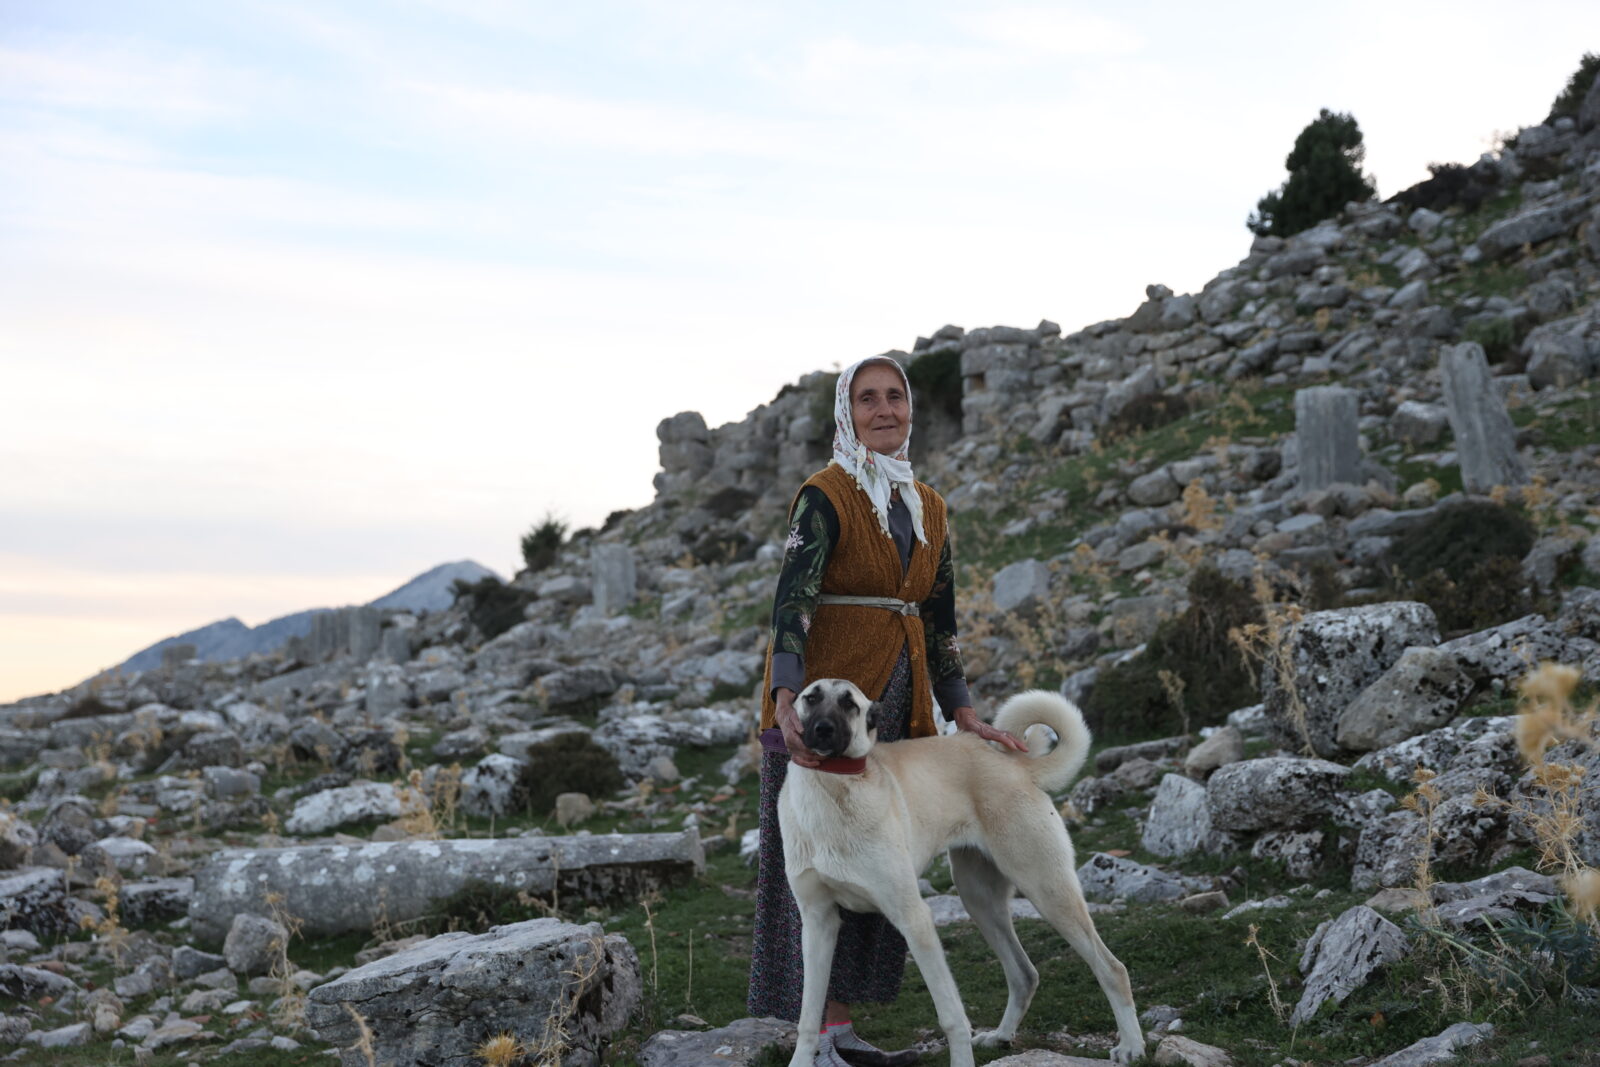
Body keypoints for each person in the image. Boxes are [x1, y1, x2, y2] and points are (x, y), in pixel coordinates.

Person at [746, 355, 1026, 1067]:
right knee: (808, 851)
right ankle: (820, 1030)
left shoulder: (928, 504)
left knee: (880, 854)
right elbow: (792, 599)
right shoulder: (825, 493)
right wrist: (784, 694)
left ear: (910, 408)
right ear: (847, 413)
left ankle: (843, 1026)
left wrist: (962, 710)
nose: (883, 409)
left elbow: (941, 618)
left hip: (897, 703)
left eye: (894, 396)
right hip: (826, 698)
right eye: (866, 398)